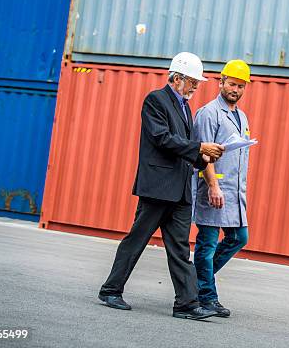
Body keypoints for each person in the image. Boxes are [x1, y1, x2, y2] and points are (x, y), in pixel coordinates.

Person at [98, 52, 225, 320]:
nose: (195, 87)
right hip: (157, 188)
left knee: (180, 249)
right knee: (137, 240)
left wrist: (204, 159)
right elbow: (162, 138)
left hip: (179, 191)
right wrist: (199, 147)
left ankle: (186, 305)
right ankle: (110, 290)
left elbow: (183, 148)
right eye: (192, 82)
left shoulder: (185, 108)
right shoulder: (155, 101)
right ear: (177, 78)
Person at [192, 59, 252, 317]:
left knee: (239, 237)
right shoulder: (209, 113)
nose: (235, 89)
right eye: (232, 84)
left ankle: (194, 282)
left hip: (234, 193)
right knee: (206, 245)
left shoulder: (241, 116)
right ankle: (207, 296)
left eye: (240, 86)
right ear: (221, 82)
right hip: (213, 190)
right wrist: (213, 186)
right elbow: (202, 154)